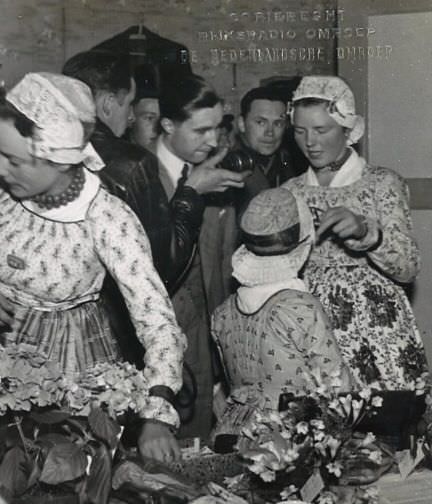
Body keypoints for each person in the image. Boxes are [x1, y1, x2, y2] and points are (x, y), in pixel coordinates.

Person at [0, 72, 186, 461]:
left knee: (49, 479)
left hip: (65, 373)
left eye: (14, 160)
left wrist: (157, 413)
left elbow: (157, 320)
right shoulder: (2, 183)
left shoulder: (106, 217)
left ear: (59, 159)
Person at [62, 52, 204, 383]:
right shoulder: (131, 163)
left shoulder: (39, 153)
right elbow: (162, 265)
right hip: (114, 336)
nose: (130, 119)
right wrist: (192, 194)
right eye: (129, 106)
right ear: (107, 103)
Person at [281, 75, 429, 390]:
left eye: (322, 130)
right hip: (312, 330)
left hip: (376, 334)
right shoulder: (289, 191)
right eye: (300, 130)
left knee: (385, 429)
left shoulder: (381, 182)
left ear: (348, 130)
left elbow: (408, 268)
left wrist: (368, 234)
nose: (310, 142)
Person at [211, 187, 353, 438]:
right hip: (292, 441)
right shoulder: (300, 307)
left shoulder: (222, 314)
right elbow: (338, 387)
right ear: (304, 244)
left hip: (239, 437)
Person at [154, 74, 248, 439]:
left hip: (203, 349)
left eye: (218, 129)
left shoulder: (214, 174)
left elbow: (223, 270)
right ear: (166, 125)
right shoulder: (139, 175)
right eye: (200, 131)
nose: (212, 141)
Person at [234, 85, 298, 210]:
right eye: (260, 122)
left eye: (278, 123)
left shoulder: (286, 161)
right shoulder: (227, 165)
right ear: (242, 124)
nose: (270, 132)